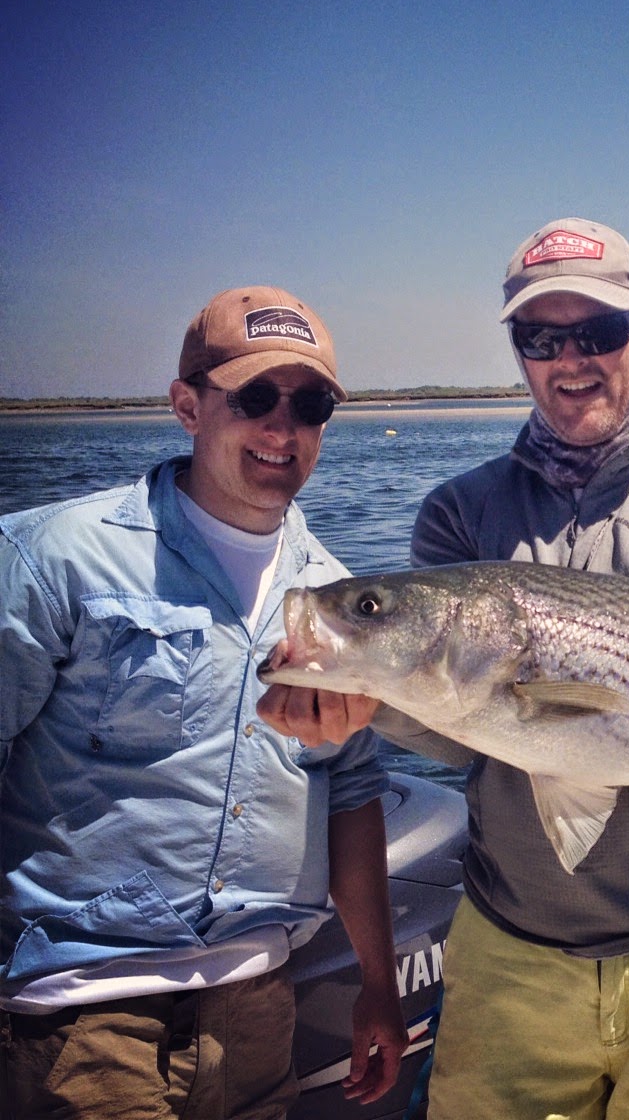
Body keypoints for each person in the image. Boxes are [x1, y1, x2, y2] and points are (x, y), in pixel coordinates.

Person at [265, 220, 629, 1118]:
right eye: (541, 338)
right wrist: (362, 701)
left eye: (599, 331)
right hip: (512, 950)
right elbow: (471, 733)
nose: (570, 358)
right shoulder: (459, 515)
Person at [0, 286, 408, 1120]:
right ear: (187, 405)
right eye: (255, 397)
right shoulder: (54, 558)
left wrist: (378, 980)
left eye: (311, 404)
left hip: (259, 1008)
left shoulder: (343, 599)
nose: (281, 428)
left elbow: (353, 794)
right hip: (82, 1012)